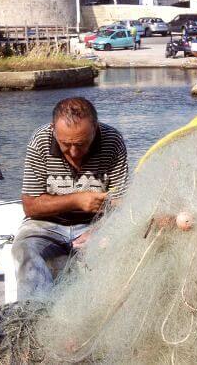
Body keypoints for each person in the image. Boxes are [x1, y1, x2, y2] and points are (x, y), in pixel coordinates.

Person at [12, 97, 128, 300]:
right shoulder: (40, 141)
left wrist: (99, 231)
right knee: (26, 249)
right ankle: (34, 316)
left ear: (95, 128)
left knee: (118, 250)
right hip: (45, 224)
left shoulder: (112, 141)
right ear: (53, 130)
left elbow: (121, 202)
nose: (74, 152)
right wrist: (76, 200)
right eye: (66, 144)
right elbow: (30, 206)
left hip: (96, 224)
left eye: (82, 144)